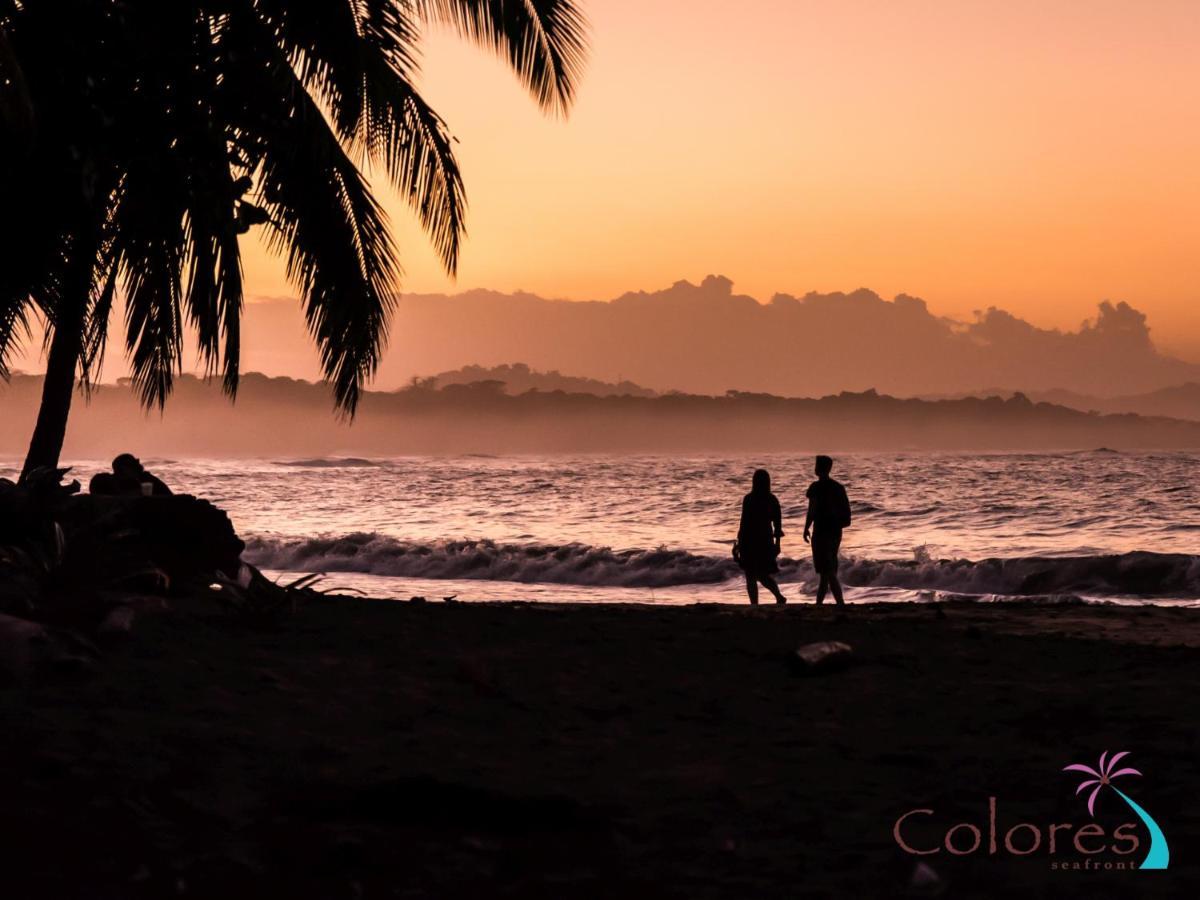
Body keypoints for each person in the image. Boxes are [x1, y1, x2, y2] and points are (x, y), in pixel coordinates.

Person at [804, 455, 851, 607]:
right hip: (835, 532)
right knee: (827, 570)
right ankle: (819, 603)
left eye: (817, 465)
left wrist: (806, 528)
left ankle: (840, 602)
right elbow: (846, 515)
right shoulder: (838, 487)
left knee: (827, 570)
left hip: (821, 532)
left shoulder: (815, 488)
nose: (815, 468)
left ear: (819, 468)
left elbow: (811, 510)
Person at [736, 468, 787, 605]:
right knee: (760, 575)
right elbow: (778, 524)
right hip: (764, 540)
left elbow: (744, 522)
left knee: (752, 575)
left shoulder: (750, 499)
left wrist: (739, 542)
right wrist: (777, 544)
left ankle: (758, 602)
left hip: (751, 539)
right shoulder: (771, 499)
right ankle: (775, 597)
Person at [89, 453, 173, 497]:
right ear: (123, 468)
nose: (138, 463)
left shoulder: (146, 479)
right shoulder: (126, 482)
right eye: (134, 462)